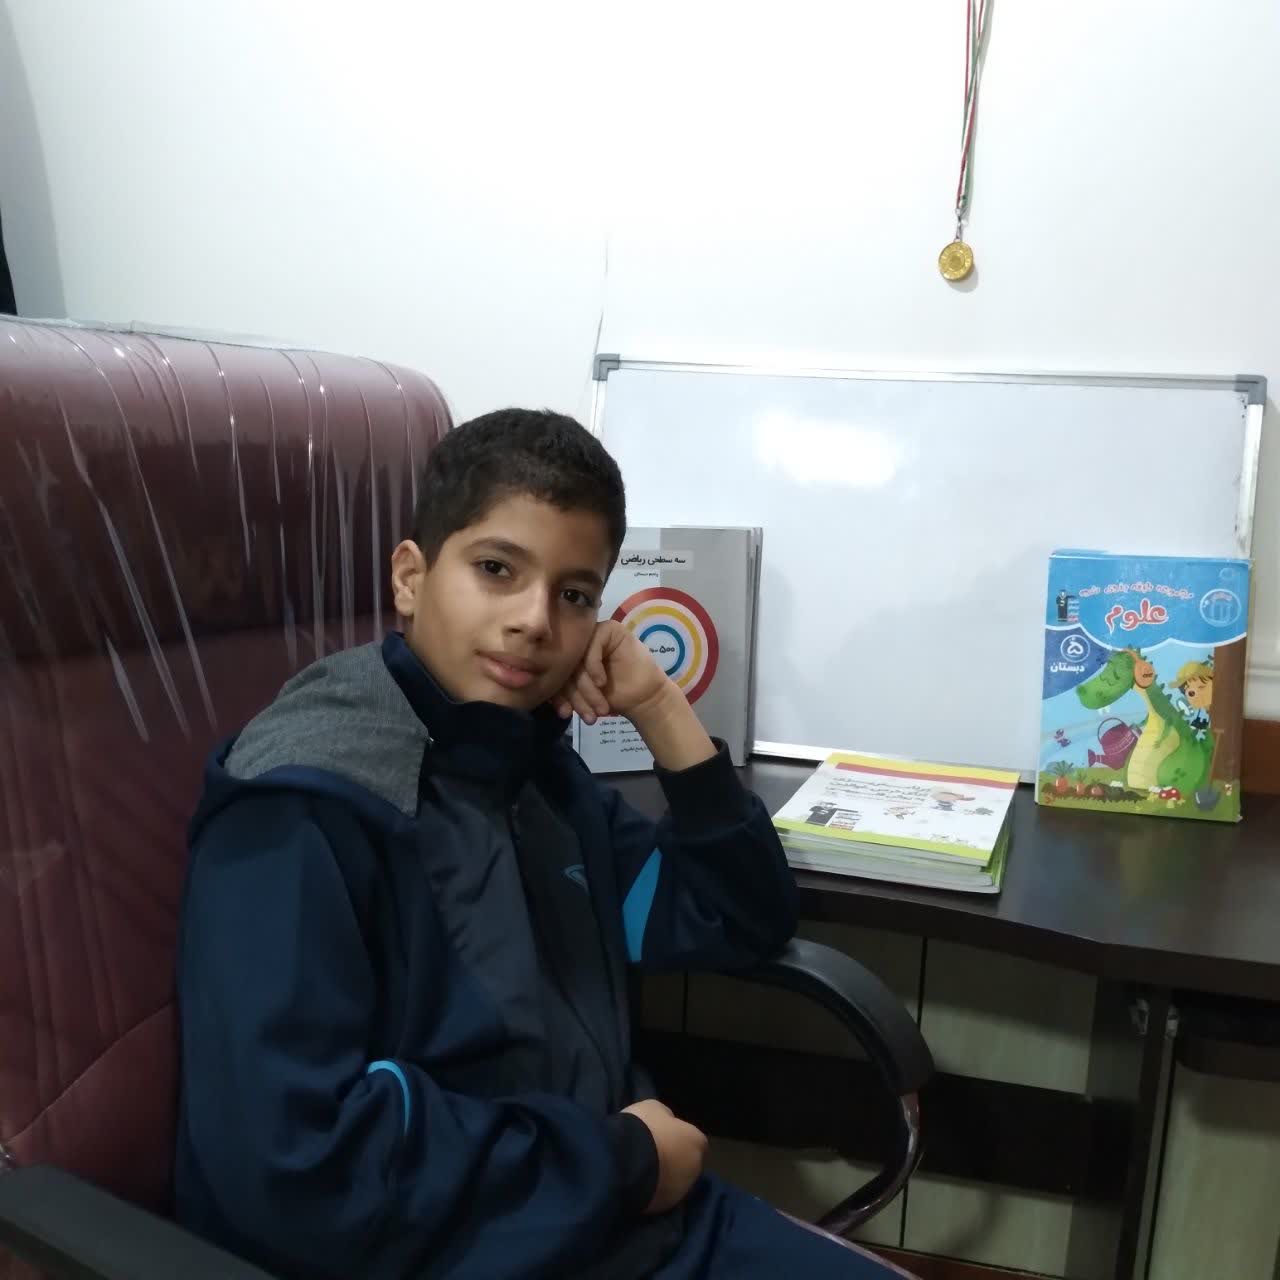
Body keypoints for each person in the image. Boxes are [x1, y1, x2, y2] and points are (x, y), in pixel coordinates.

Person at [175, 409, 910, 1279]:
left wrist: (660, 710)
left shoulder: (526, 772)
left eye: (574, 595)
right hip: (473, 1245)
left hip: (610, 1216)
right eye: (496, 570)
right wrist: (626, 1161)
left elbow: (737, 916)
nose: (535, 621)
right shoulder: (305, 804)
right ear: (410, 577)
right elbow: (294, 1165)